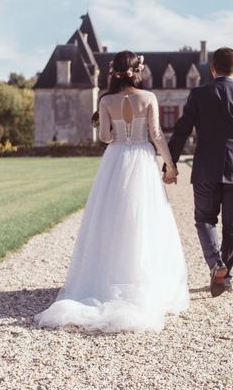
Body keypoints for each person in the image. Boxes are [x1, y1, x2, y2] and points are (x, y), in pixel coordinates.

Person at [35, 50, 189, 332]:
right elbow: (156, 135)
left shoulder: (106, 100)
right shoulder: (149, 98)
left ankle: (106, 279)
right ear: (137, 71)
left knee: (111, 217)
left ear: (113, 72)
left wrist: (104, 123)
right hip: (142, 159)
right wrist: (170, 166)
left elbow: (105, 137)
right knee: (145, 218)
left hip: (116, 159)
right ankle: (141, 280)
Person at [164, 47, 233, 297]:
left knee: (204, 219)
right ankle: (224, 274)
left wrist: (171, 163)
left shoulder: (199, 94)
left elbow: (181, 130)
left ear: (212, 68)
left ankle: (216, 265)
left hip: (206, 168)